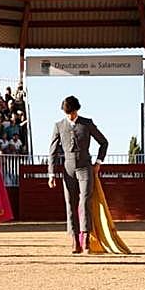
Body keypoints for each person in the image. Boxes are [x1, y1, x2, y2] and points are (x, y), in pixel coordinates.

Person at [47, 95, 108, 254]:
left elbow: (103, 142)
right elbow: (52, 152)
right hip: (68, 169)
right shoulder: (59, 125)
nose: (69, 116)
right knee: (70, 203)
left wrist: (98, 162)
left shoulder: (86, 123)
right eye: (67, 113)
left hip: (85, 167)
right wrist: (51, 174)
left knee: (85, 200)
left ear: (77, 110)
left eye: (72, 112)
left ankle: (85, 237)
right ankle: (74, 239)